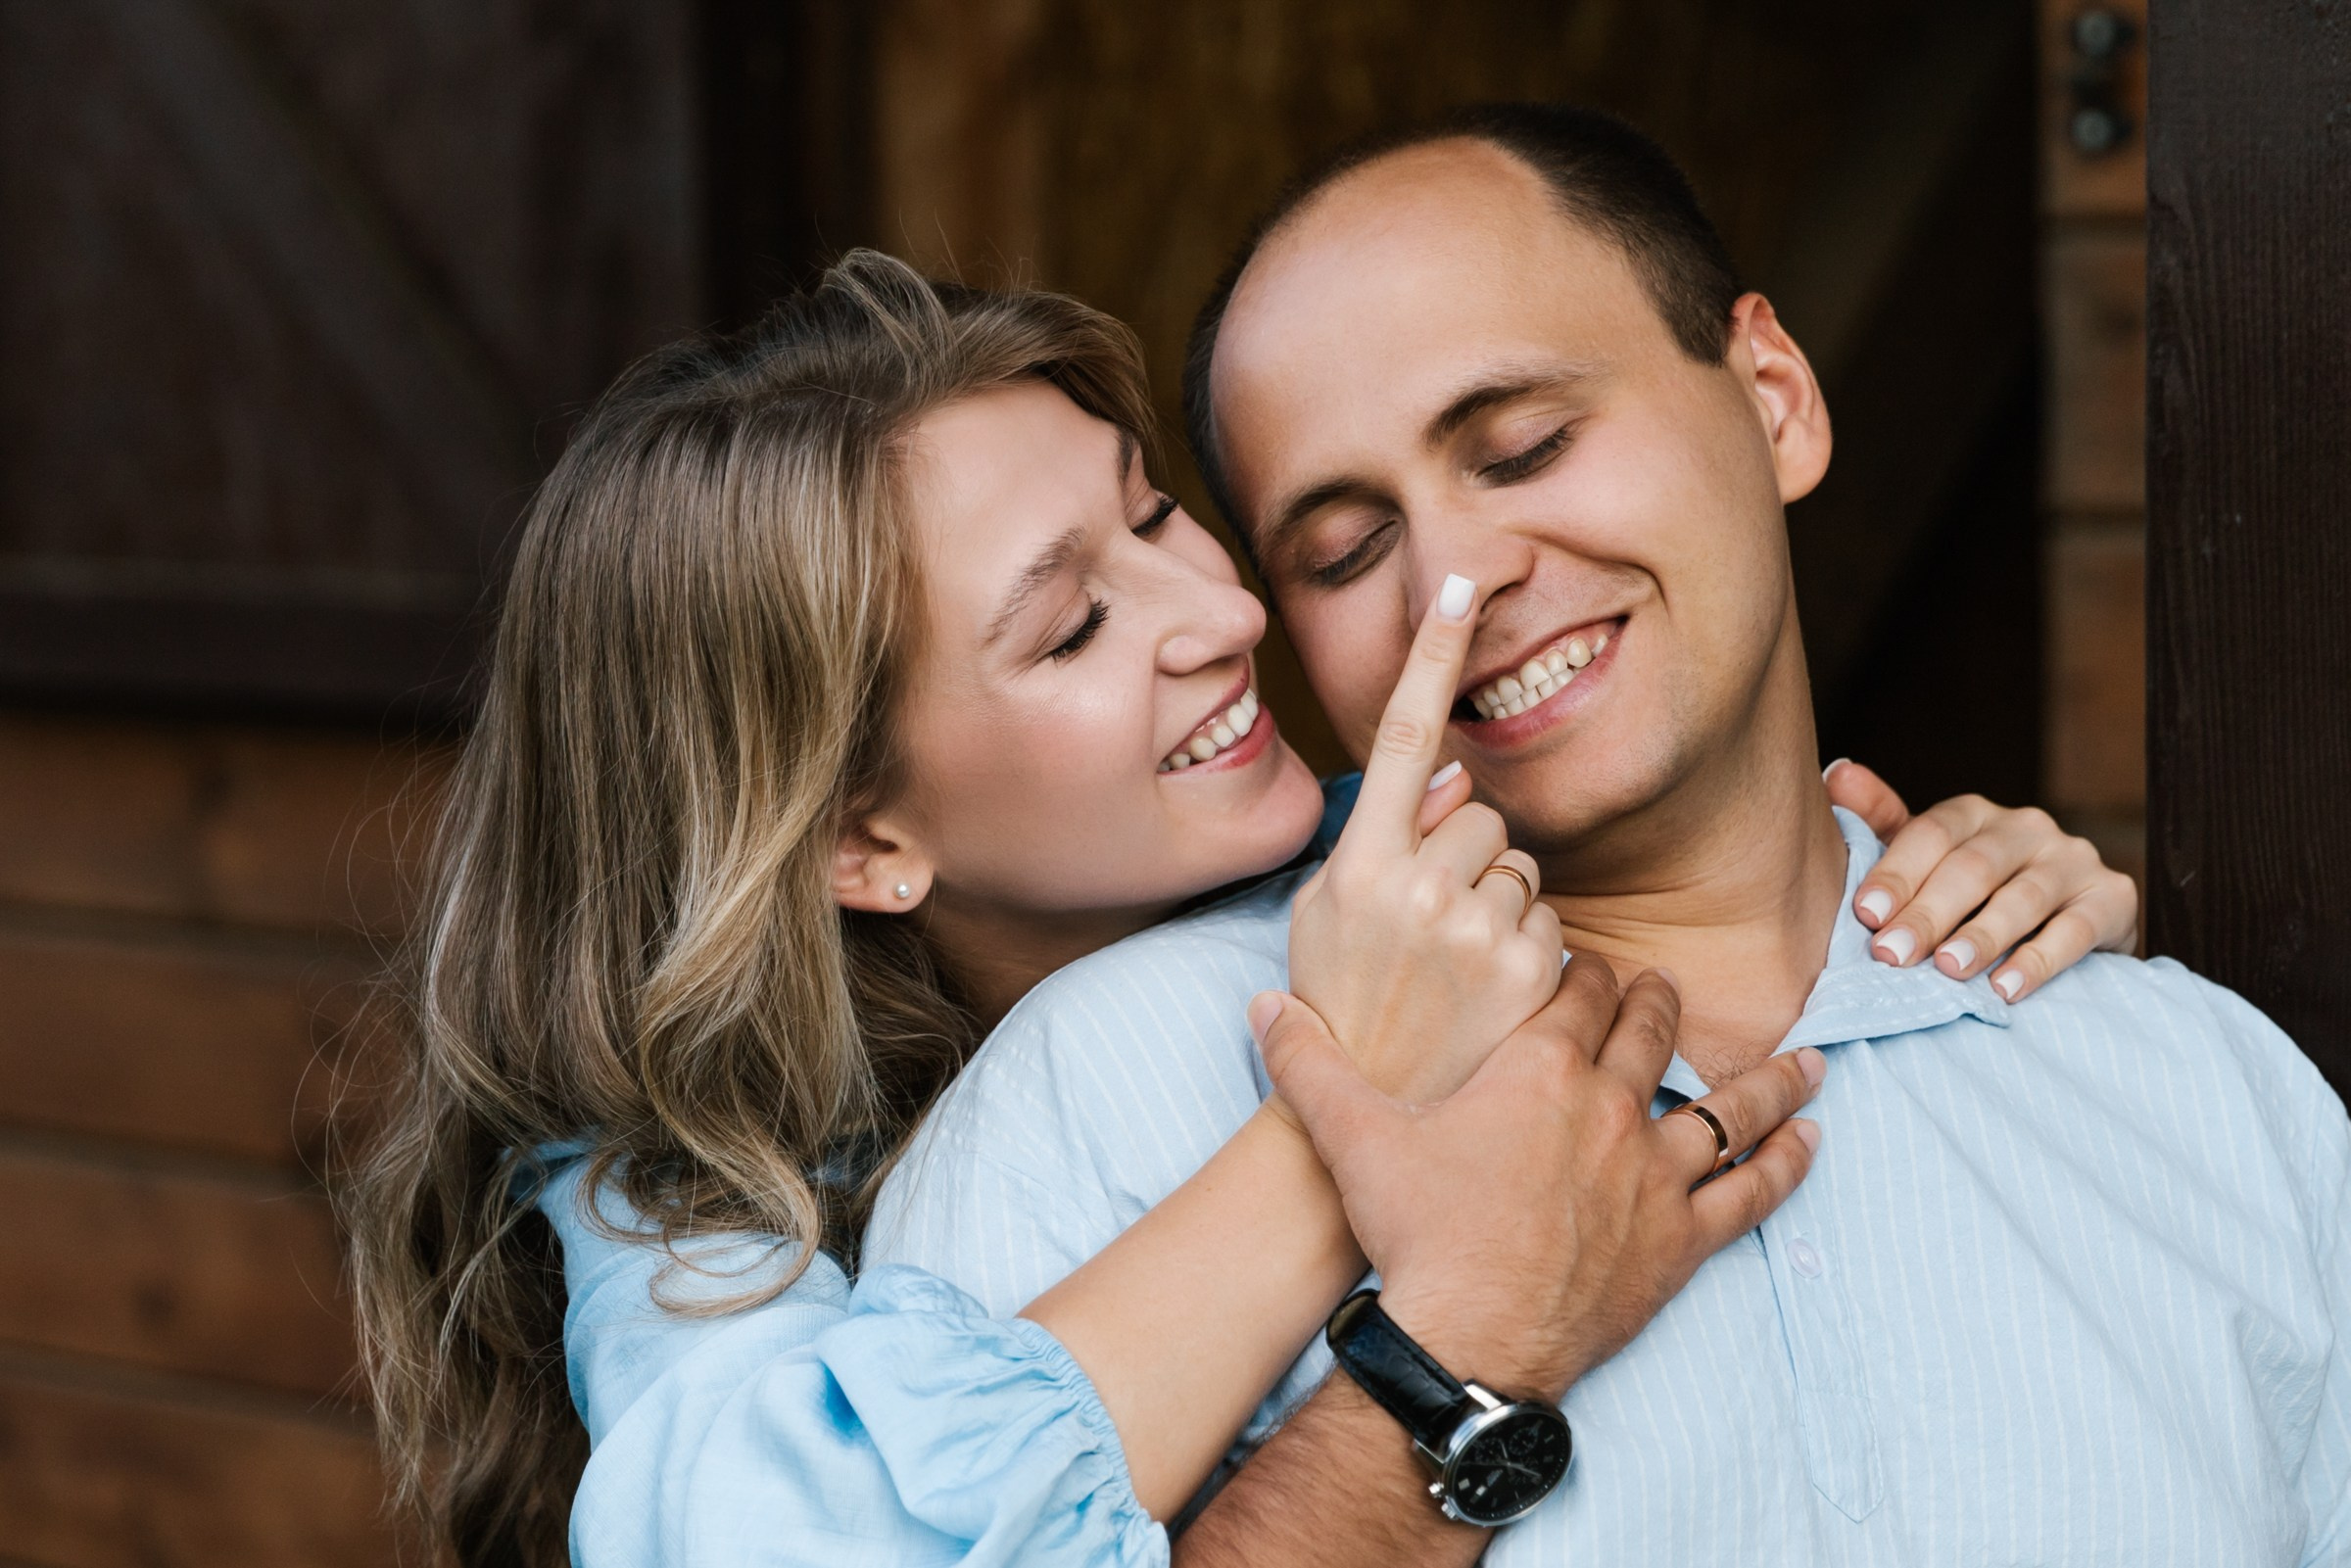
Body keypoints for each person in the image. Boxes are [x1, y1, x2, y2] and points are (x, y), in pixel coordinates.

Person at [342, 251, 2138, 1567]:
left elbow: (1746, 860)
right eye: (1070, 626)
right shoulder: (680, 1178)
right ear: (861, 840)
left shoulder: (1401, 846)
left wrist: (1969, 897)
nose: (1218, 614)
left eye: (1155, 517)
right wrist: (1343, 1094)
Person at [867, 103, 2351, 1565]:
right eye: (1346, 549)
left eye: (1521, 447)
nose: (1459, 579)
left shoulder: (2207, 1097)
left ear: (1774, 395)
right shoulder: (1103, 1105)